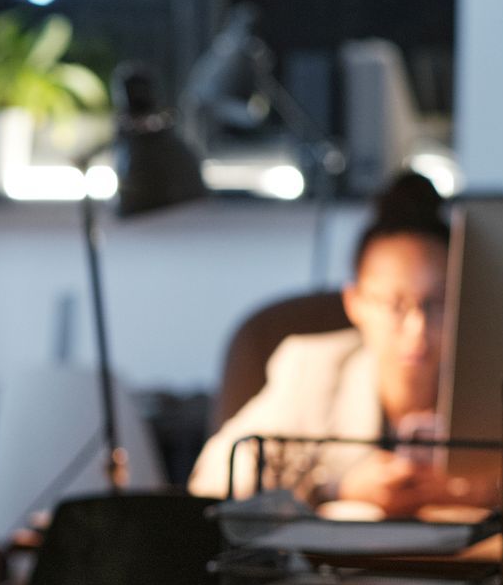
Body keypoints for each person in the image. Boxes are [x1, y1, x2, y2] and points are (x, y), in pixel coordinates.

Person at [188, 172, 479, 514]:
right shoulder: (311, 371)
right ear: (354, 303)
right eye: (394, 305)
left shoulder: (489, 388)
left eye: (438, 303)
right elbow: (211, 480)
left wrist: (484, 489)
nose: (417, 327)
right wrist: (336, 488)